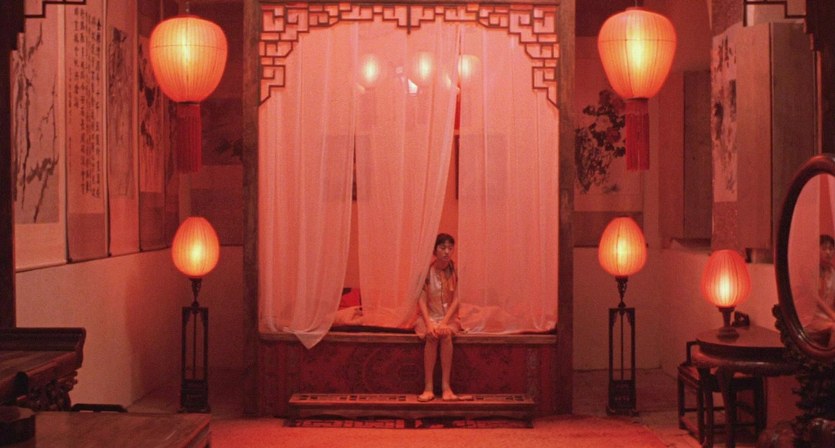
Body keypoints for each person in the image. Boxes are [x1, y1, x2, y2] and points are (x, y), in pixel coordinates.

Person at [415, 233, 472, 402]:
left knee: (445, 334)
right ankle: (428, 388)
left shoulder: (456, 272)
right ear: (434, 251)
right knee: (432, 336)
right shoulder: (425, 272)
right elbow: (421, 301)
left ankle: (446, 387)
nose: (447, 252)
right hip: (427, 317)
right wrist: (429, 324)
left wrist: (445, 322)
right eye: (442, 248)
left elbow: (457, 300)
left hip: (449, 318)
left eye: (450, 248)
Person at [808, 234, 835, 347]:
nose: (828, 252)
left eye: (831, 249)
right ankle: (828, 357)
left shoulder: (832, 271)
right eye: (824, 248)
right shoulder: (810, 270)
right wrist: (833, 315)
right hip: (811, 317)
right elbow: (815, 298)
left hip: (827, 317)